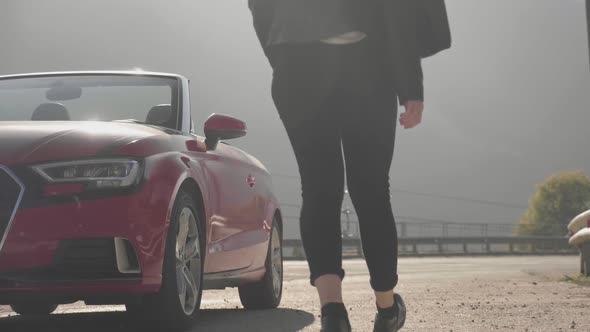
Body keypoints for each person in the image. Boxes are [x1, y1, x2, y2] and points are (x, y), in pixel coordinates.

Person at [247, 0, 447, 331]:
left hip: (298, 65)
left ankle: (333, 312)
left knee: (318, 189)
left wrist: (283, 52)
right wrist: (411, 87)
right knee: (371, 192)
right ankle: (386, 307)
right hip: (367, 63)